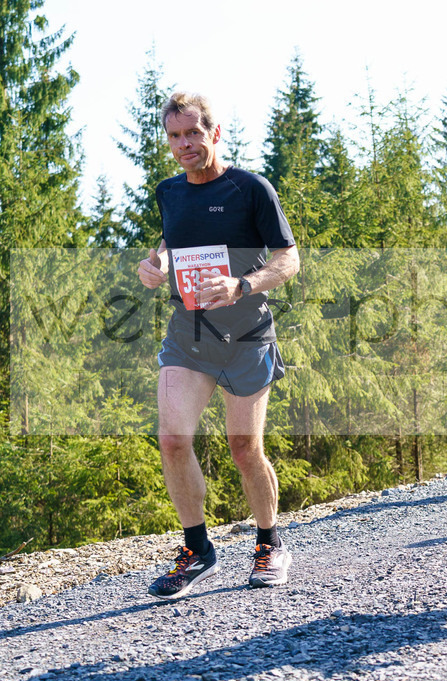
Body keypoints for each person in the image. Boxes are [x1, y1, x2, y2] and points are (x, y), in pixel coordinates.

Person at [137, 92, 300, 600]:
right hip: (188, 334)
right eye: (175, 136)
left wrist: (241, 285)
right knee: (172, 438)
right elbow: (172, 242)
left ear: (215, 133)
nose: (184, 144)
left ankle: (270, 544)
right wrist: (156, 264)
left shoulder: (250, 188)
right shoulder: (169, 192)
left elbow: (289, 259)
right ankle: (197, 550)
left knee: (244, 448)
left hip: (246, 334)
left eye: (193, 133)